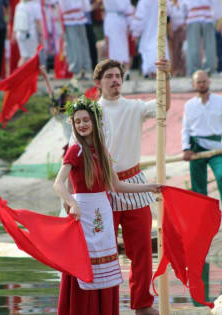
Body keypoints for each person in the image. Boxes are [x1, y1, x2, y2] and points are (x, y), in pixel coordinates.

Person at [54, 96, 161, 315]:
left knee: (104, 266)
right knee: (86, 263)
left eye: (86, 120)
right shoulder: (75, 150)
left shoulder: (103, 153)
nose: (82, 124)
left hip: (103, 209)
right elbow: (58, 184)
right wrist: (72, 203)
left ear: (94, 122)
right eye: (77, 121)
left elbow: (117, 186)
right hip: (83, 212)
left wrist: (150, 187)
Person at [93, 58, 171, 315]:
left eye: (118, 76)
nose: (115, 81)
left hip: (135, 183)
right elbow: (77, 150)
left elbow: (163, 107)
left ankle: (142, 304)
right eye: (109, 77)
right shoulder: (91, 113)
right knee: (104, 252)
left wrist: (165, 77)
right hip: (103, 187)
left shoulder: (134, 107)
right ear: (99, 83)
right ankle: (105, 306)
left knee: (142, 252)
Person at [181, 70, 222, 228]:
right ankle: (202, 223)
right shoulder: (189, 105)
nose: (202, 84)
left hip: (217, 149)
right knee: (198, 188)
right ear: (194, 85)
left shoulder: (220, 101)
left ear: (209, 82)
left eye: (204, 81)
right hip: (196, 149)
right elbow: (185, 129)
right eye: (199, 82)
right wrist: (185, 148)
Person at [58, 0, 92, 80]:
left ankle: (78, 70)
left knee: (74, 44)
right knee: (82, 44)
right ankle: (85, 68)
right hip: (78, 15)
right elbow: (86, 6)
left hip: (71, 17)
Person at [182, 0, 216, 76]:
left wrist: (184, 19)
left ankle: (194, 71)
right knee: (209, 46)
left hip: (193, 16)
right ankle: (209, 69)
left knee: (193, 46)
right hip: (207, 16)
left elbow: (183, 6)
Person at [13, 0, 43, 67]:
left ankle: (20, 75)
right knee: (31, 57)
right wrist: (41, 34)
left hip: (20, 34)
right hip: (30, 35)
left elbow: (15, 21)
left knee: (23, 57)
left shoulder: (19, 5)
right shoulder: (35, 5)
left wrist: (14, 33)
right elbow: (38, 22)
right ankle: (28, 75)